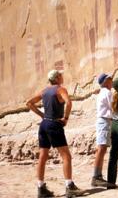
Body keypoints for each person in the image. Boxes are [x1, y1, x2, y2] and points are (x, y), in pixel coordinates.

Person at [26, 69, 82, 198]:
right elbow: (69, 102)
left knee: (43, 157)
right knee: (66, 156)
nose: (62, 76)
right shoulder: (60, 89)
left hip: (44, 125)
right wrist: (66, 118)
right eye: (60, 75)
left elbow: (29, 103)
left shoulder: (44, 91)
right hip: (54, 125)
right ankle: (69, 186)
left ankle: (41, 188)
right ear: (57, 78)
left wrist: (42, 115)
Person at [91, 73, 114, 187]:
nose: (112, 81)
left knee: (102, 149)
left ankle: (97, 176)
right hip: (105, 121)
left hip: (104, 121)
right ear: (105, 82)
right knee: (101, 149)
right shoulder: (107, 92)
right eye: (110, 79)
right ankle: (96, 176)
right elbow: (113, 107)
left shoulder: (103, 92)